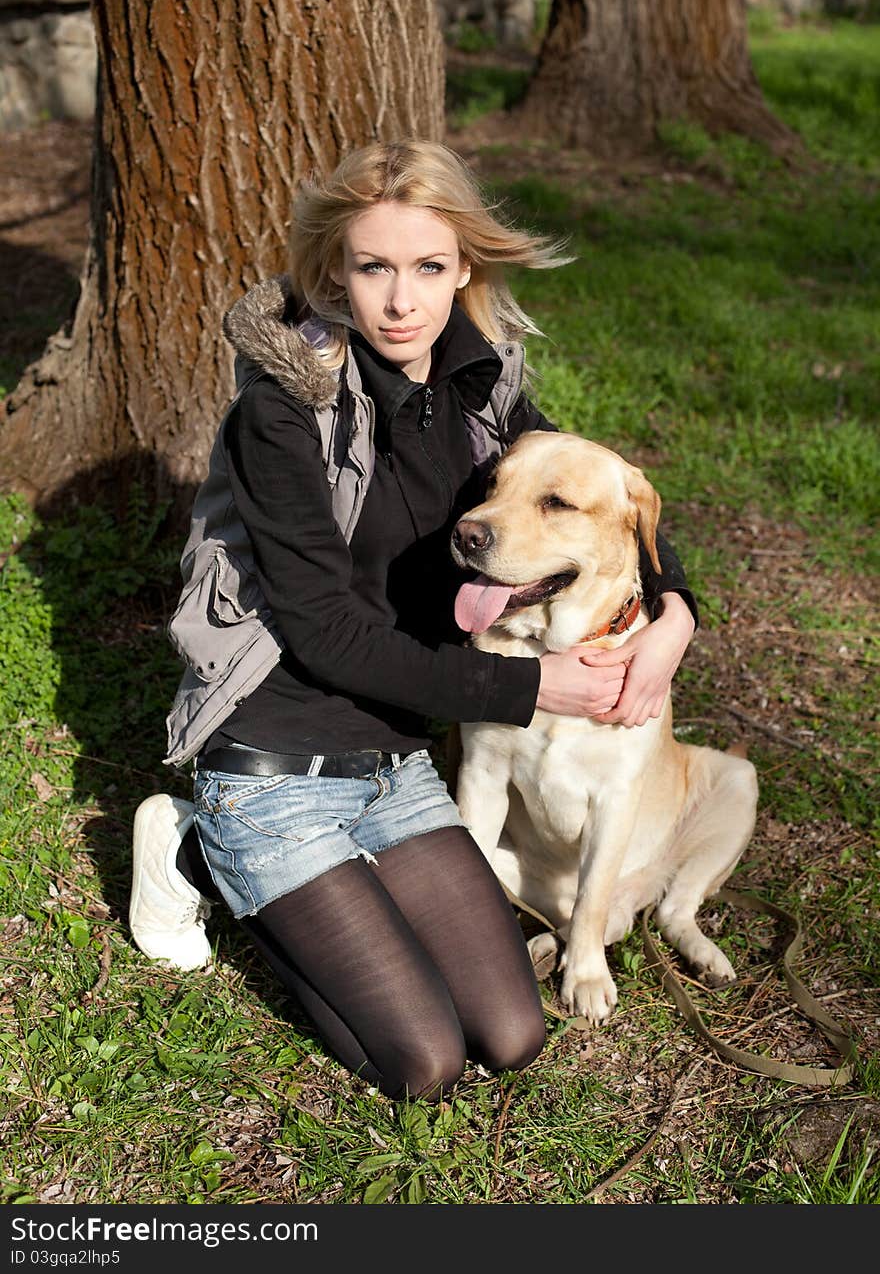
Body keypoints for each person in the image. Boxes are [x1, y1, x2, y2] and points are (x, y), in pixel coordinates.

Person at [129, 140, 698, 1103]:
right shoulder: (282, 413)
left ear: (463, 268)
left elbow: (595, 493)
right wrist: (530, 687)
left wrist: (677, 610)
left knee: (512, 1034)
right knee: (424, 1060)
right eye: (375, 268)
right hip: (277, 765)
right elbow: (323, 636)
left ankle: (333, 881)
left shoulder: (483, 390)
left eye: (429, 268)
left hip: (396, 766)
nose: (402, 301)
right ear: (334, 273)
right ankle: (192, 847)